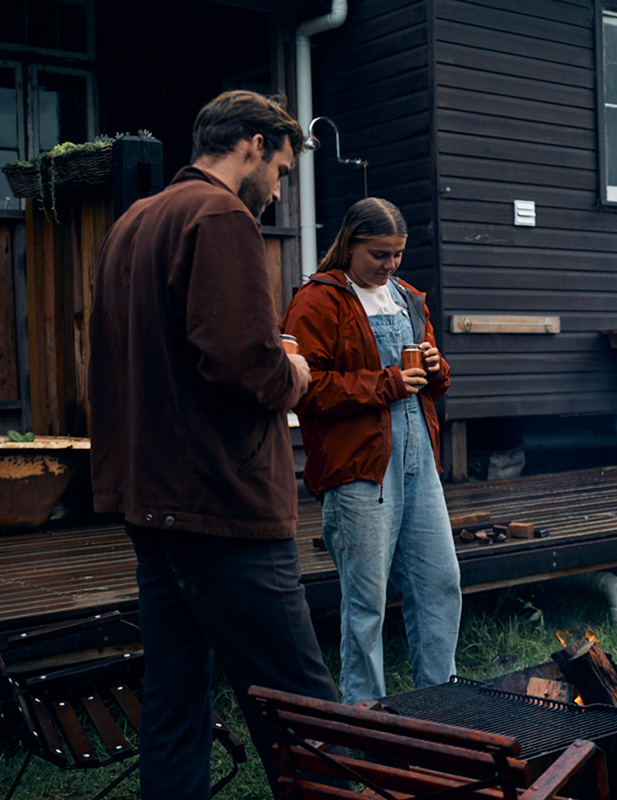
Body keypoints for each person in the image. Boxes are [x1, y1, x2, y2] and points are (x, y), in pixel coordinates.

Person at [88, 90, 340, 798]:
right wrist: (291, 370)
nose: (279, 188)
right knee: (301, 703)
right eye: (283, 170)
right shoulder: (220, 215)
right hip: (220, 502)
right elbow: (238, 364)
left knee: (174, 697)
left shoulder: (134, 221)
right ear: (254, 145)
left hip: (150, 497)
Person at [281, 197, 461, 704]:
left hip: (418, 461)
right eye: (378, 254)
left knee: (440, 583)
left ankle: (438, 704)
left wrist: (434, 366)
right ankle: (365, 713)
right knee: (367, 602)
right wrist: (382, 384)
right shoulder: (317, 301)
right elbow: (301, 388)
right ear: (350, 243)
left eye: (397, 254)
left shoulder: (406, 297)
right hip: (359, 470)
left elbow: (432, 384)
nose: (389, 265)